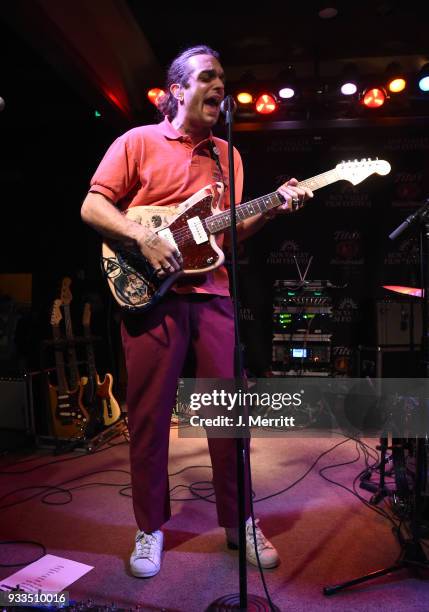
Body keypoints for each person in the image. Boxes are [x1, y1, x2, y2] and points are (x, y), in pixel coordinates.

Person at [81, 45, 313, 578]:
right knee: (148, 417)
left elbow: (227, 230)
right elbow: (93, 206)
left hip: (212, 292)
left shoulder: (227, 155)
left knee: (228, 414)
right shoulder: (137, 140)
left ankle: (239, 522)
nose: (219, 85)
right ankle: (149, 527)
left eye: (222, 78)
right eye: (208, 76)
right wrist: (143, 234)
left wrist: (274, 208)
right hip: (151, 295)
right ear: (178, 90)